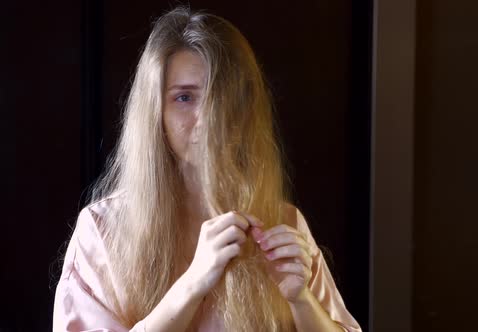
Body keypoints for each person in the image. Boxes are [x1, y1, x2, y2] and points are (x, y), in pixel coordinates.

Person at [52, 6, 361, 332]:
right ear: (156, 114)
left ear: (246, 109)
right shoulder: (102, 232)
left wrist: (301, 301)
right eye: (184, 97)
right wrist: (194, 282)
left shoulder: (283, 222)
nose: (209, 118)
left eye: (224, 97)